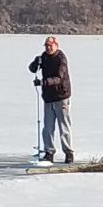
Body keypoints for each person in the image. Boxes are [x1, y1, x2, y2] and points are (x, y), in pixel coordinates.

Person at [28, 35, 73, 164]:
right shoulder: (44, 57)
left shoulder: (61, 59)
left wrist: (44, 82)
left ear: (56, 45)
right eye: (46, 45)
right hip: (48, 98)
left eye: (50, 45)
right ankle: (49, 152)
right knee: (47, 128)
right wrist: (35, 63)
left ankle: (68, 152)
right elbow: (32, 69)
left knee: (64, 126)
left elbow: (59, 78)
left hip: (61, 97)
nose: (48, 48)